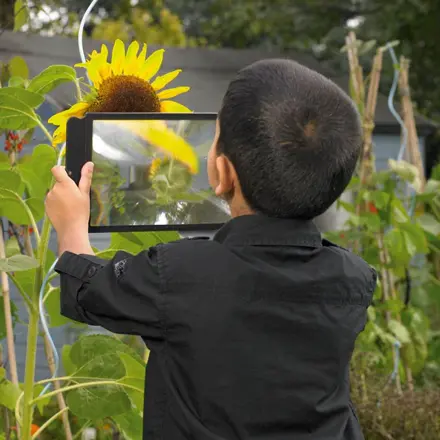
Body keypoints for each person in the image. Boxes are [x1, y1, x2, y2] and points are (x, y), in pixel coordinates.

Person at [46, 58, 377, 440]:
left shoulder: (176, 276)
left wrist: (71, 226)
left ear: (223, 174)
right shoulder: (353, 280)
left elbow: (88, 289)